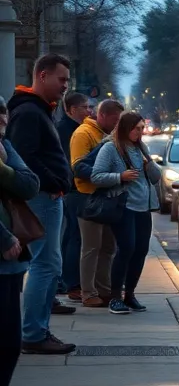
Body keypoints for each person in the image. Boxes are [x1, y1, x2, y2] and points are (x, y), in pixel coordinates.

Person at [8, 54, 77, 354]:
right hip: (43, 197)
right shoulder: (29, 112)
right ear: (42, 75)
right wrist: (54, 183)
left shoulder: (36, 110)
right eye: (61, 79)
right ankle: (34, 335)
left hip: (47, 196)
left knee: (49, 265)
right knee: (45, 265)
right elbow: (25, 157)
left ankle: (38, 331)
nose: (65, 86)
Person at [0, 102, 41, 386]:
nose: (0, 122)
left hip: (11, 263)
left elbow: (29, 183)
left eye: (2, 117)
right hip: (4, 252)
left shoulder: (4, 148)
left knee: (10, 346)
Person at [90, 112, 161, 314]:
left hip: (143, 207)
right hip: (124, 206)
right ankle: (115, 297)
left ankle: (130, 294)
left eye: (141, 128)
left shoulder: (141, 148)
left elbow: (156, 178)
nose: (139, 132)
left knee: (140, 251)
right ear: (125, 128)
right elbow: (96, 176)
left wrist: (150, 166)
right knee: (126, 248)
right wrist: (120, 176)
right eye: (136, 128)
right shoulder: (110, 148)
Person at [71, 99, 123, 308]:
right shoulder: (83, 134)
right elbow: (78, 168)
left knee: (108, 246)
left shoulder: (105, 134)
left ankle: (104, 289)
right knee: (91, 247)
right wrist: (110, 175)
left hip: (106, 198)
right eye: (114, 120)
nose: (116, 124)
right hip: (88, 198)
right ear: (101, 116)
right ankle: (88, 292)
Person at [56, 92, 89, 303]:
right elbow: (71, 162)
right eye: (85, 107)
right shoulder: (69, 130)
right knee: (74, 237)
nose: (89, 111)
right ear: (73, 109)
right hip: (73, 189)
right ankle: (71, 283)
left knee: (71, 236)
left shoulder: (71, 128)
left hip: (70, 188)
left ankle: (68, 281)